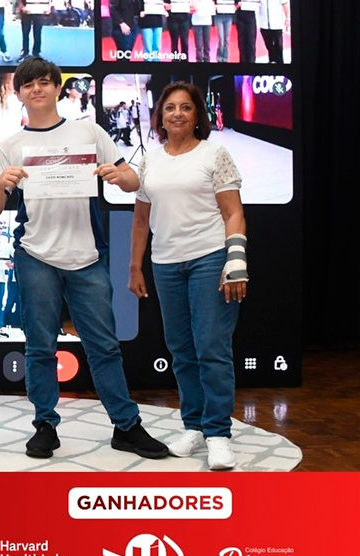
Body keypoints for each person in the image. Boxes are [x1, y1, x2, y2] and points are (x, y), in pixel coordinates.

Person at [0, 57, 169, 460]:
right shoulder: (11, 146)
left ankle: (126, 426)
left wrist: (120, 177)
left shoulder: (88, 132)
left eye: (44, 82)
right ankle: (45, 424)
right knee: (40, 348)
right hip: (35, 255)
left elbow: (133, 180)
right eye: (28, 84)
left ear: (57, 87)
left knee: (104, 346)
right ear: (19, 94)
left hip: (87, 255)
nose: (37, 89)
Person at [128, 82, 248, 470]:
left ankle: (218, 434)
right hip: (165, 265)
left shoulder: (215, 154)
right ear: (160, 117)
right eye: (169, 108)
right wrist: (135, 267)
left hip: (210, 260)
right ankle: (194, 426)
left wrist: (236, 263)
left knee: (211, 347)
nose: (177, 113)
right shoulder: (150, 160)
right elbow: (141, 221)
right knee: (181, 350)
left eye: (185, 107)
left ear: (198, 115)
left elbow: (233, 213)